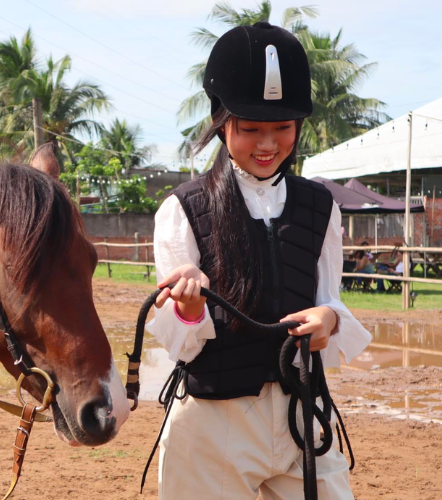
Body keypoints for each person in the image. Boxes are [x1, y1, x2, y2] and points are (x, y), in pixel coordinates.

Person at [146, 22, 371, 499]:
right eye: (250, 129)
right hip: (213, 427)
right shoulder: (182, 210)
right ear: (221, 122)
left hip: (301, 418)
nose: (267, 144)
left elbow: (332, 301)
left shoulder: (321, 207)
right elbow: (179, 344)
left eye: (282, 128)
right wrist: (188, 310)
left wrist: (329, 318)